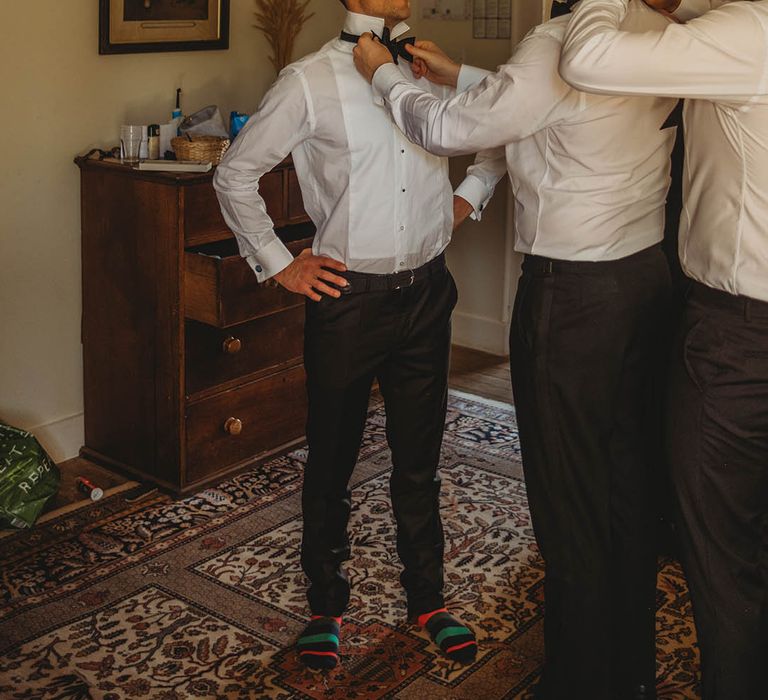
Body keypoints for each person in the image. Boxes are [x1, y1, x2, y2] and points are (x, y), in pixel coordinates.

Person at [353, 3, 678, 697]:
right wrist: (466, 72)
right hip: (644, 284)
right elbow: (561, 101)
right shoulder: (654, 34)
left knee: (569, 506)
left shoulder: (558, 42)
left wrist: (382, 74)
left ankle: (579, 683)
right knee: (625, 492)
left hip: (573, 300)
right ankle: (629, 677)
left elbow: (443, 127)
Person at [213, 0, 489, 672]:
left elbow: (508, 127)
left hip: (427, 293)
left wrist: (467, 196)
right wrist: (282, 265)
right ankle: (325, 606)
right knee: (331, 461)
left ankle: (428, 599)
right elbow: (234, 173)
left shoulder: (431, 69)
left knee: (418, 459)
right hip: (347, 300)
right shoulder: (308, 81)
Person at [559, 2, 768, 698]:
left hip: (741, 340)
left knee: (724, 564)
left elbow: (585, 58)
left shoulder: (748, 33)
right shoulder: (727, 28)